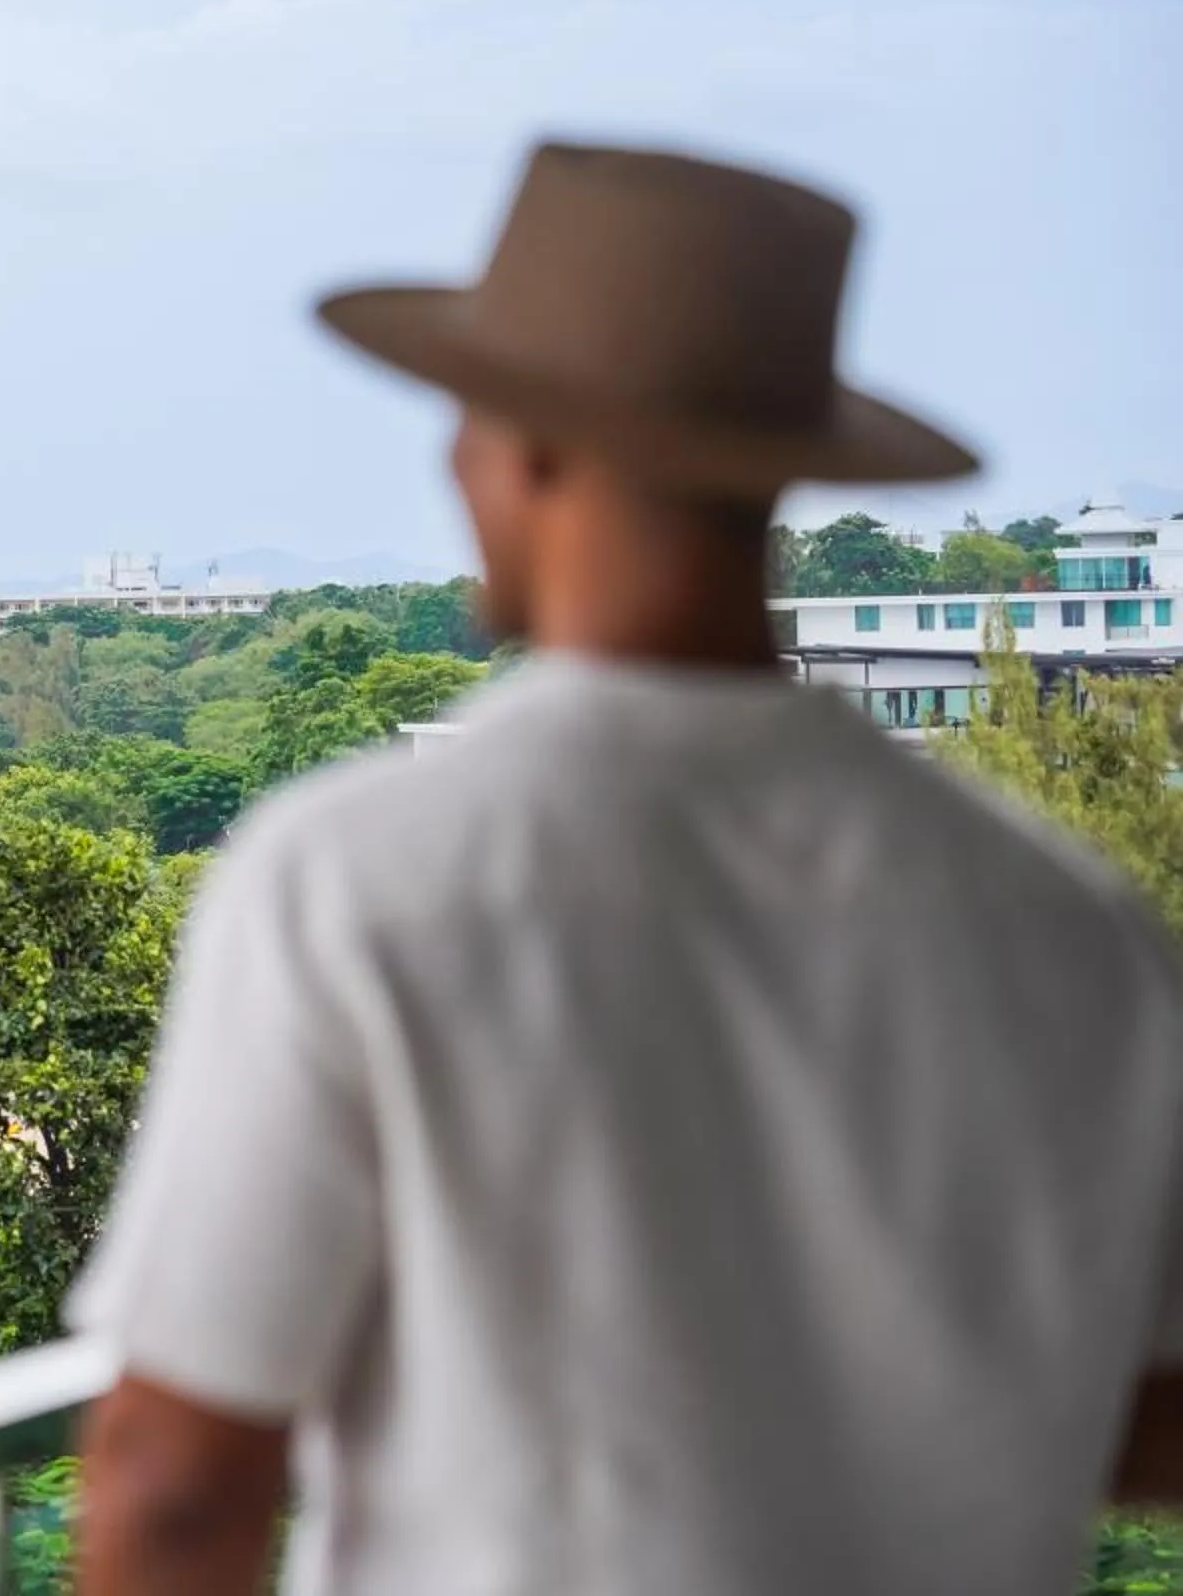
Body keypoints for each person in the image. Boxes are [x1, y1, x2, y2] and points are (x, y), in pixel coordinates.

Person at [68, 142, 1183, 1595]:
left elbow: (173, 1483)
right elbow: (1150, 1424)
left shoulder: (355, 882)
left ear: (527, 446)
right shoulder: (1063, 916)